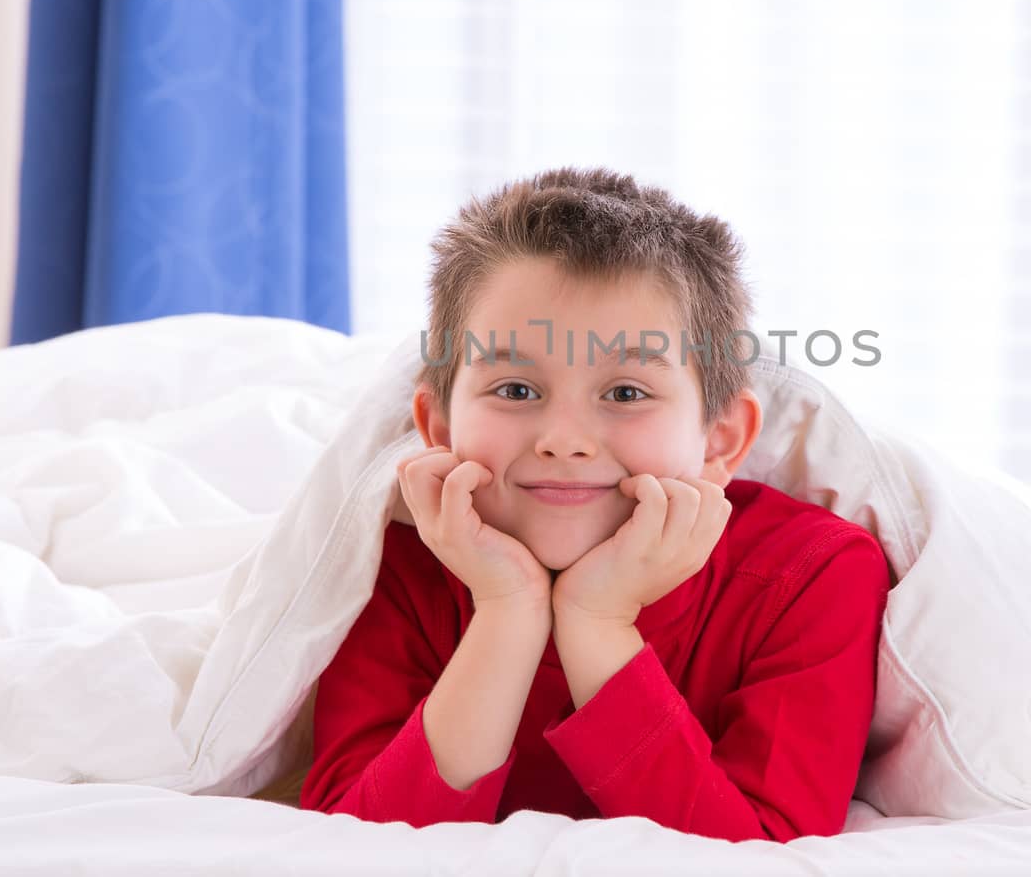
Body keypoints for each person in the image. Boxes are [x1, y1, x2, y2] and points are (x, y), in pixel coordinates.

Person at [299, 166, 890, 843]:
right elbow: (357, 843)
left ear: (720, 440)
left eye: (627, 393)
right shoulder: (393, 560)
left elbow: (750, 852)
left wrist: (597, 621)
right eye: (517, 390)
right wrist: (506, 609)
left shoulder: (811, 574)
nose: (565, 442)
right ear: (438, 427)